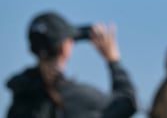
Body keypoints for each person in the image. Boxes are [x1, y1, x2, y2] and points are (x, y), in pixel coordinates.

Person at [5, 11, 137, 118]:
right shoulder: (79, 99)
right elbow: (127, 104)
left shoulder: (19, 100)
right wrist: (113, 60)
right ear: (65, 49)